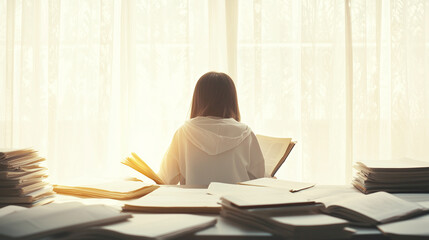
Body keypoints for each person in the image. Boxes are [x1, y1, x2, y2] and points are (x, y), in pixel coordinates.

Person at [158, 71, 265, 186]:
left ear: (198, 99)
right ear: (232, 100)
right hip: (234, 203)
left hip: (194, 203)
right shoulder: (246, 134)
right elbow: (258, 180)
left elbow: (165, 179)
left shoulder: (183, 133)